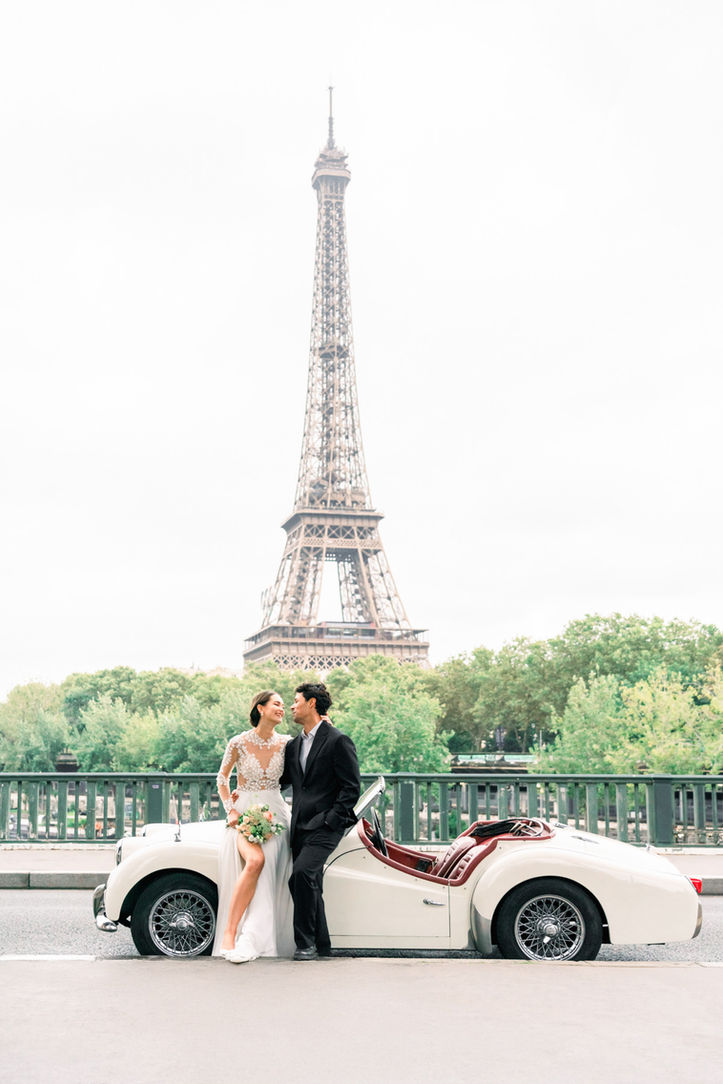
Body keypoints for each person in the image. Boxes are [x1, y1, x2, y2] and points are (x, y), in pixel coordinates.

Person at [280, 682, 361, 960]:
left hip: (327, 826)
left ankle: (305, 944)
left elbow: (351, 788)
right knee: (309, 880)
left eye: (296, 700)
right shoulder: (292, 746)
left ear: (312, 703)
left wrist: (330, 819)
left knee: (301, 875)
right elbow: (283, 782)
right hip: (299, 826)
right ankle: (322, 945)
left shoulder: (338, 740)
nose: (292, 706)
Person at [213, 690, 294, 963]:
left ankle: (255, 939)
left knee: (269, 870)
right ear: (260, 708)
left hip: (277, 814)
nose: (282, 708)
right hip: (244, 812)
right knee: (255, 862)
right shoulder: (238, 742)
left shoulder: (287, 743)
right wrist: (231, 809)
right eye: (276, 704)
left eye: (284, 705)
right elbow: (222, 779)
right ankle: (235, 935)